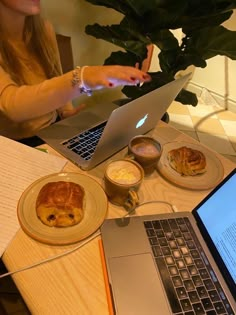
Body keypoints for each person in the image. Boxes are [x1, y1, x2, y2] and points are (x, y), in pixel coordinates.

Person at [0, 0, 151, 147]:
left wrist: (66, 112)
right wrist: (82, 78)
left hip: (50, 133)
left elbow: (54, 76)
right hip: (13, 146)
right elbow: (12, 106)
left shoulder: (43, 29)